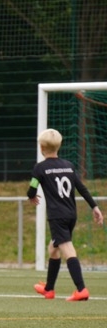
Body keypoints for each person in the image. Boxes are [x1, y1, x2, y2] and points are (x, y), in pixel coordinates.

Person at [28, 128, 103, 301]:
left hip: (57, 216)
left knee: (67, 249)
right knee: (53, 248)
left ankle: (81, 289)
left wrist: (31, 196)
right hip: (71, 215)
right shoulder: (69, 166)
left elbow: (32, 188)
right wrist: (94, 206)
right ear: (59, 146)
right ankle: (49, 289)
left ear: (41, 148)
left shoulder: (39, 168)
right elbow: (81, 187)